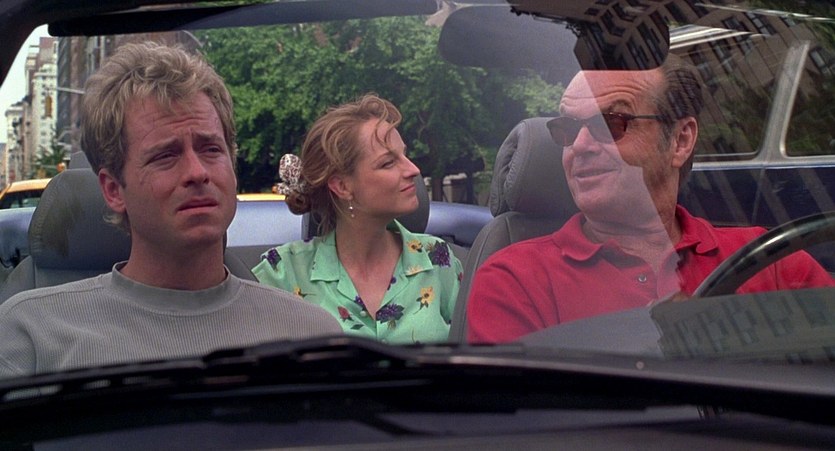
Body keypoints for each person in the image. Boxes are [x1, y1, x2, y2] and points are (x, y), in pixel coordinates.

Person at [0, 42, 341, 377]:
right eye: (165, 155)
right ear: (113, 190)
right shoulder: (30, 337)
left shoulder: (310, 334)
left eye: (211, 149)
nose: (197, 172)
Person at [467, 56, 835, 344]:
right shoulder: (515, 280)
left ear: (680, 140)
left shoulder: (770, 262)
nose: (578, 146)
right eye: (566, 129)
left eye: (610, 124)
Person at [252, 94, 462, 344]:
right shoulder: (282, 272)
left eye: (405, 155)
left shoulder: (437, 258)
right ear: (342, 186)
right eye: (388, 163)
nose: (413, 170)